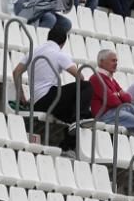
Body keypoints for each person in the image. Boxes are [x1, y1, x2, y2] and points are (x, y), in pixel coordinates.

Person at [11, 23, 91, 153]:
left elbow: (16, 72)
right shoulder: (59, 54)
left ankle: (66, 145)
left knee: (86, 117)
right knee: (87, 86)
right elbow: (80, 78)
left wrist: (22, 97)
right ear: (63, 42)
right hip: (49, 98)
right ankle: (78, 119)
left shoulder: (33, 51)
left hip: (37, 102)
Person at [90, 48, 134, 137]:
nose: (116, 63)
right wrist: (120, 94)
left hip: (118, 109)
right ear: (101, 62)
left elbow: (128, 99)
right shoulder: (96, 78)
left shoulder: (111, 79)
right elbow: (113, 101)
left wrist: (117, 95)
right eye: (113, 60)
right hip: (106, 114)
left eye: (116, 61)